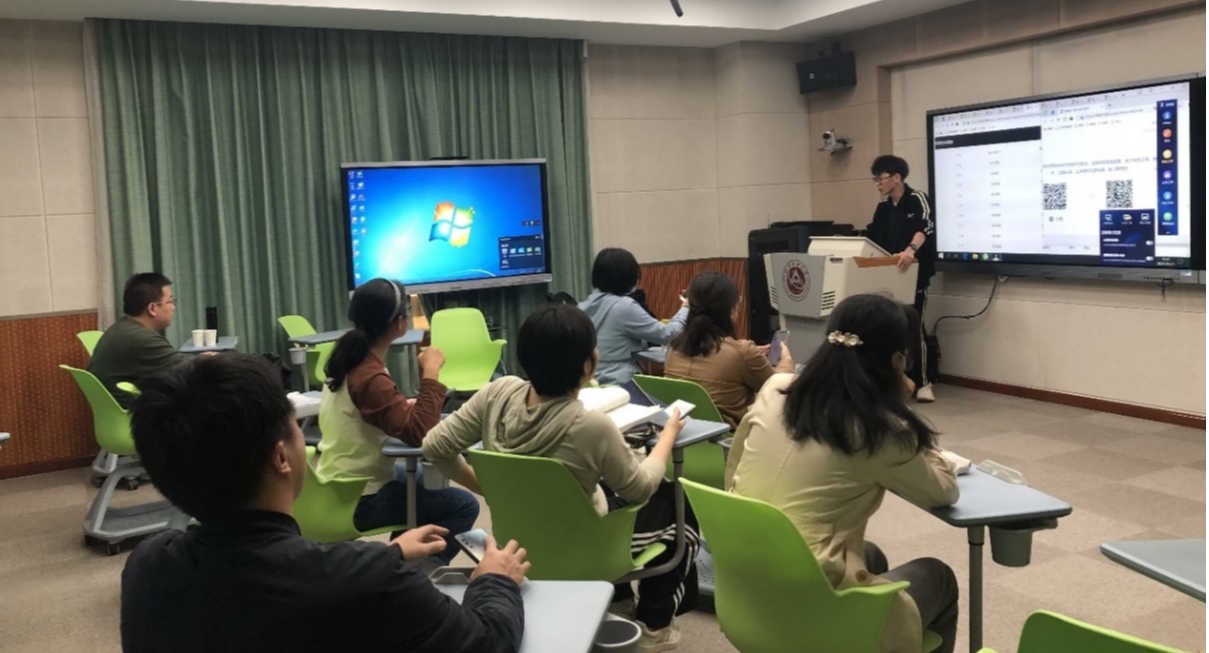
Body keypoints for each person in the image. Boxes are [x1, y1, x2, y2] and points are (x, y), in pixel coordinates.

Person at [122, 353, 530, 653]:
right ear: (281, 457)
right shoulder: (369, 582)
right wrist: (494, 580)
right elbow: (487, 642)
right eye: (296, 426)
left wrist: (387, 555)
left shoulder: (148, 567)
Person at [422, 304, 700, 653]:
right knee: (675, 503)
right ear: (586, 365)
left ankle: (615, 601)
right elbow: (640, 489)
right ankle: (654, 627)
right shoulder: (592, 426)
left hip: (518, 543)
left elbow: (434, 447)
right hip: (587, 546)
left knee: (600, 485)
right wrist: (667, 437)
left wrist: (486, 486)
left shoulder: (497, 393)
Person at [726, 294, 960, 653]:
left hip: (746, 586)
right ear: (897, 361)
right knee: (938, 576)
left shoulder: (774, 389)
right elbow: (943, 491)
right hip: (813, 609)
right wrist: (899, 411)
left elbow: (735, 467)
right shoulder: (880, 429)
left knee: (869, 554)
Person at [316, 278, 479, 564]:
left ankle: (399, 562)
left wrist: (404, 405)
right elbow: (419, 434)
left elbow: (376, 412)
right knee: (463, 505)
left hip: (338, 481)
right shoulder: (370, 375)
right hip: (361, 497)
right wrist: (431, 372)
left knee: (427, 484)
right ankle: (410, 574)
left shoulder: (351, 358)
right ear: (400, 323)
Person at [664, 271, 794, 428]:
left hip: (681, 434)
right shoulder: (742, 352)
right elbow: (777, 391)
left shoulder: (674, 346)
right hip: (728, 438)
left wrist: (750, 357)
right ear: (731, 310)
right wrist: (786, 363)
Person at [864, 155, 937, 403]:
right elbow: (873, 236)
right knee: (887, 329)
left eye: (880, 178)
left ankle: (924, 382)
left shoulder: (917, 199)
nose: (878, 184)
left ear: (896, 177)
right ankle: (891, 382)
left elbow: (924, 228)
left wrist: (910, 250)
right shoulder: (883, 208)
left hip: (915, 274)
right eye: (875, 179)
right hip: (889, 276)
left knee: (915, 326)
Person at [579, 248, 688, 385]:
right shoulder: (624, 306)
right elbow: (668, 335)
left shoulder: (583, 306)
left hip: (590, 381)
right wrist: (685, 308)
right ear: (628, 277)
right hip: (620, 382)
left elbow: (614, 340)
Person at [88, 273, 194, 407]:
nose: (173, 306)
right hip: (138, 412)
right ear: (152, 308)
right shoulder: (143, 340)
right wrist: (210, 358)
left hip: (117, 410)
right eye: (170, 301)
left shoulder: (121, 328)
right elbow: (190, 370)